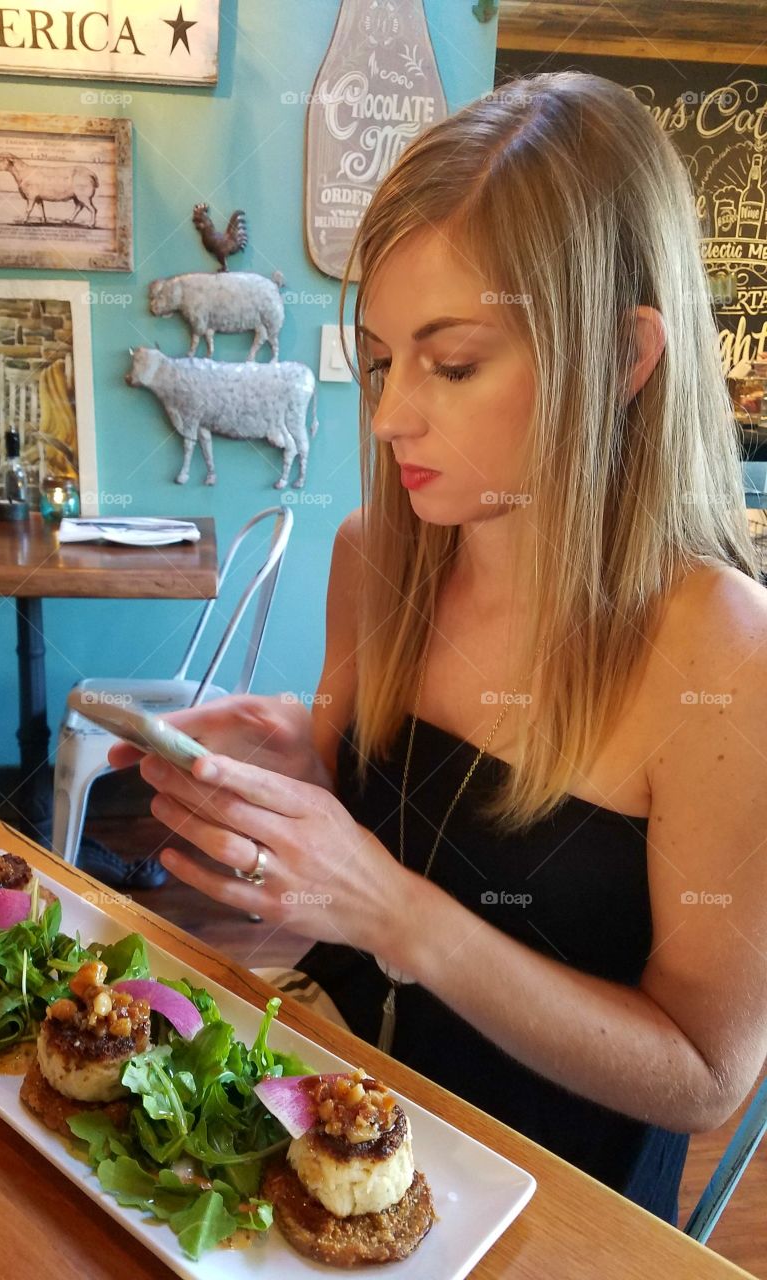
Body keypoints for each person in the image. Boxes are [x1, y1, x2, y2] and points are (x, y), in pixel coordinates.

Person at [109, 71, 767, 1224]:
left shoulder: (725, 653)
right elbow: (364, 863)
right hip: (324, 1138)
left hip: (551, 1211)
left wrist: (396, 908)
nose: (388, 416)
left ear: (620, 360)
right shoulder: (381, 553)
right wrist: (306, 769)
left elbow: (706, 1071)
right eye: (377, 359)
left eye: (451, 363)